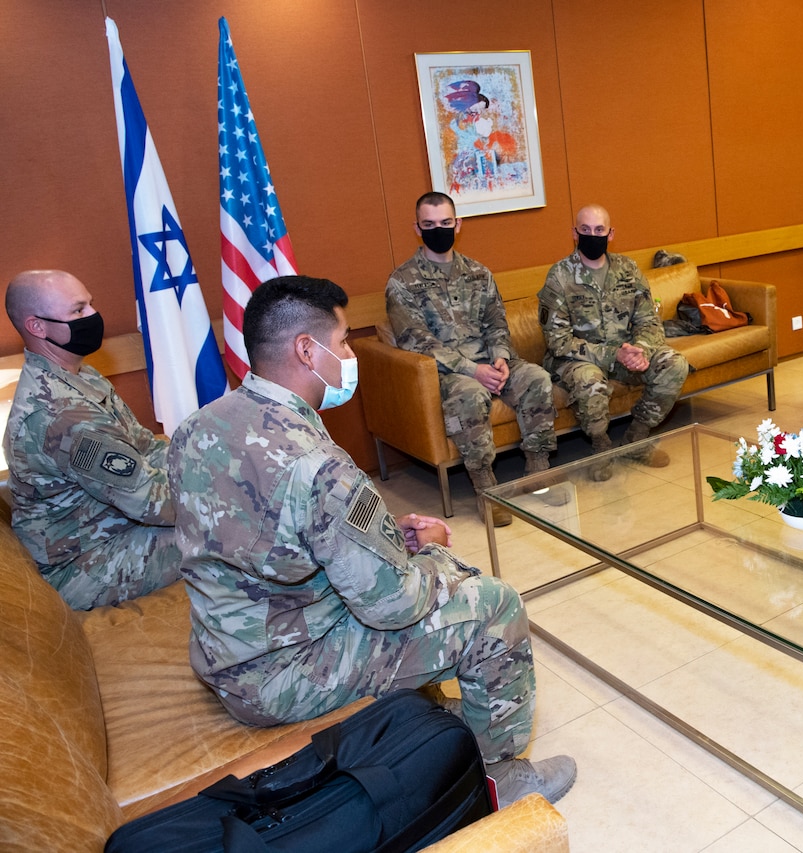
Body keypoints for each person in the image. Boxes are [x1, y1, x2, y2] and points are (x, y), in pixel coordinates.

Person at [167, 275, 575, 805]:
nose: (348, 354)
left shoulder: (196, 428)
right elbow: (394, 604)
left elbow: (271, 532)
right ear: (306, 350)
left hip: (228, 654)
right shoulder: (317, 465)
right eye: (341, 343)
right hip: (284, 675)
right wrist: (431, 556)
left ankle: (434, 718)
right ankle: (498, 779)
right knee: (493, 606)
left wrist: (382, 535)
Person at [3, 269, 179, 610]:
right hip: (83, 566)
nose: (94, 316)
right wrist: (221, 491)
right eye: (78, 310)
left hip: (117, 526)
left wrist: (198, 464)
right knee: (225, 528)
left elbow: (144, 445)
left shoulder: (79, 373)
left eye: (90, 305)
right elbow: (153, 502)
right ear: (37, 326)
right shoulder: (61, 416)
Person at [386, 191, 558, 527]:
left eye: (446, 223)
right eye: (430, 224)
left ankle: (537, 471)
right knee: (471, 394)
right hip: (449, 372)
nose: (439, 229)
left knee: (537, 377)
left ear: (458, 224)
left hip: (488, 361)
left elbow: (496, 321)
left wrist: (499, 359)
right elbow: (416, 340)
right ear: (417, 228)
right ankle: (486, 489)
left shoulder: (479, 273)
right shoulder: (402, 282)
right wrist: (472, 370)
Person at [538, 203, 690, 481]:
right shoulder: (559, 276)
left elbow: (648, 321)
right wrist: (613, 355)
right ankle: (601, 449)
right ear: (575, 233)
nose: (592, 235)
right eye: (585, 230)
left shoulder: (628, 269)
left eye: (599, 230)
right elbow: (558, 341)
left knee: (674, 364)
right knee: (590, 381)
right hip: (576, 360)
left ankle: (636, 439)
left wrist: (641, 350)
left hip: (624, 353)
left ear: (610, 234)